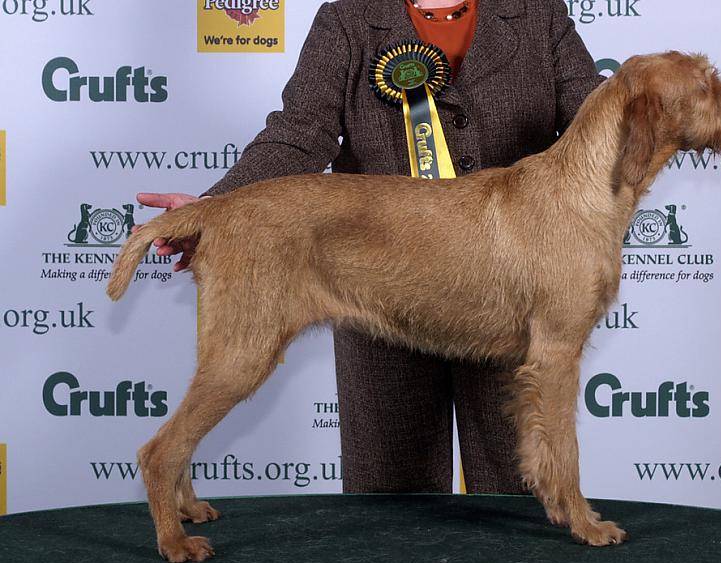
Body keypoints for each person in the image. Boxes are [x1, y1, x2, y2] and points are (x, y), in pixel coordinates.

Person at [138, 0, 604, 494]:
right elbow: (299, 135)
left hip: (508, 287)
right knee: (389, 509)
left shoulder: (540, 15)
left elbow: (599, 129)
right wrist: (215, 210)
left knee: (514, 507)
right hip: (375, 284)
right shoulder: (349, 19)